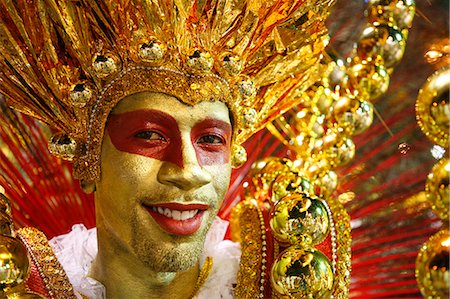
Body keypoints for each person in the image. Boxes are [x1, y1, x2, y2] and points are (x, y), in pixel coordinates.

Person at [0, 1, 344, 298]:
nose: (188, 171)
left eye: (210, 139)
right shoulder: (18, 281)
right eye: (150, 135)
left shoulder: (288, 281)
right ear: (90, 159)